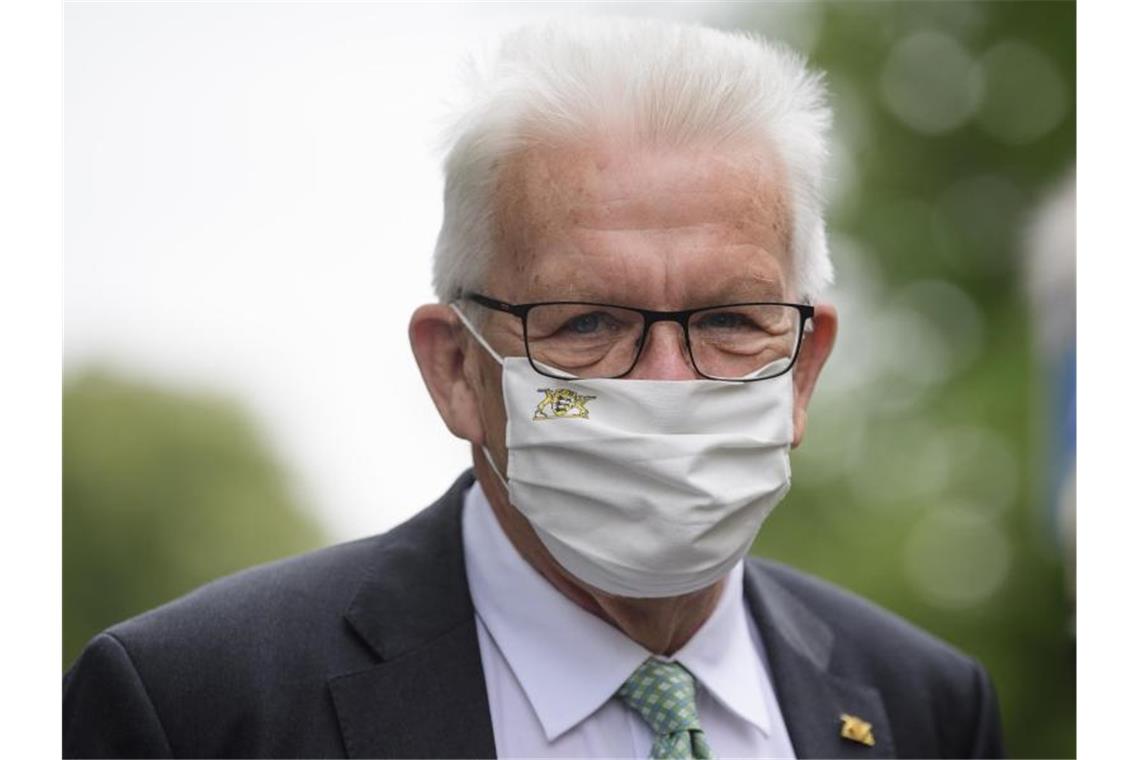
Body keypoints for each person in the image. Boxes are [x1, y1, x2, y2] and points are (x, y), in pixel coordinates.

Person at [63, 18, 1004, 759]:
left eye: (728, 321)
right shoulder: (197, 708)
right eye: (587, 324)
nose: (670, 384)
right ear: (457, 369)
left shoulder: (927, 706)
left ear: (803, 368)